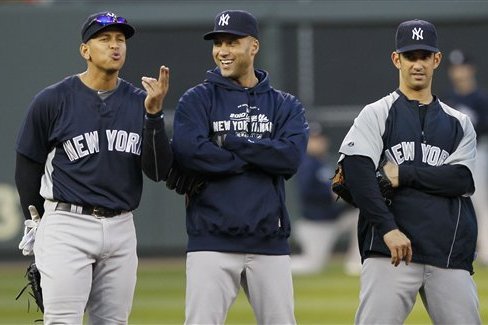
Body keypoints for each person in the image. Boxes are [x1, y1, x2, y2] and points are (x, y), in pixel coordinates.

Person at [15, 11, 173, 324]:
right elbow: (28, 161)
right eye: (105, 39)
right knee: (62, 320)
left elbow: (158, 171)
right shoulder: (53, 100)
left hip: (121, 226)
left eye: (120, 39)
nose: (115, 46)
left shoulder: (140, 102)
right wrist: (34, 218)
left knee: (113, 322)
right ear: (85, 50)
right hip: (67, 224)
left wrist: (154, 117)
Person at [337, 19, 480, 324]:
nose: (418, 64)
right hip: (388, 251)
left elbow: (462, 179)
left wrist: (403, 174)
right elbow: (357, 175)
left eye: (424, 56)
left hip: (447, 250)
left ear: (436, 60)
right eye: (410, 56)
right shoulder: (376, 113)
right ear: (396, 59)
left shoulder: (458, 122)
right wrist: (388, 229)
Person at [169, 9, 308, 325]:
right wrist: (260, 155)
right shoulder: (197, 99)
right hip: (211, 239)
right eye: (218, 43)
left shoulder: (285, 104)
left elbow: (289, 158)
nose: (223, 51)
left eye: (232, 42)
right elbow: (190, 153)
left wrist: (231, 142)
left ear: (254, 46)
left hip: (268, 240)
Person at [291, 121, 361, 276]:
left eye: (319, 138)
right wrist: (333, 194)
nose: (317, 142)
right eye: (312, 139)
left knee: (363, 217)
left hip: (332, 220)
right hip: (315, 224)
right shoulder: (306, 163)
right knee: (312, 266)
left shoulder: (322, 162)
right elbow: (306, 192)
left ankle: (356, 263)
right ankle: (279, 264)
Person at [444, 49, 488, 265]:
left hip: (477, 153)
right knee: (454, 203)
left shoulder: (481, 99)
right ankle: (459, 249)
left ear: (471, 69)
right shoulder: (448, 99)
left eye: (462, 67)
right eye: (455, 68)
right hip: (452, 156)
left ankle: (486, 251)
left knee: (481, 203)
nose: (459, 72)